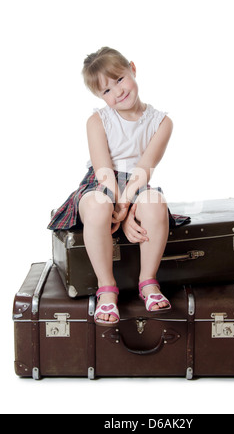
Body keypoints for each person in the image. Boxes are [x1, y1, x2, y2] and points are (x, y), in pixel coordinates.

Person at [48, 47, 187, 326]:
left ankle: (148, 282)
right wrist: (120, 211)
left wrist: (127, 207)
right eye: (106, 91)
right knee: (99, 208)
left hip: (137, 183)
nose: (117, 92)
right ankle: (107, 289)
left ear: (132, 68)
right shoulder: (98, 120)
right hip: (102, 184)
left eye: (120, 80)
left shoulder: (162, 122)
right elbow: (103, 172)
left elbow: (143, 169)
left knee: (155, 204)